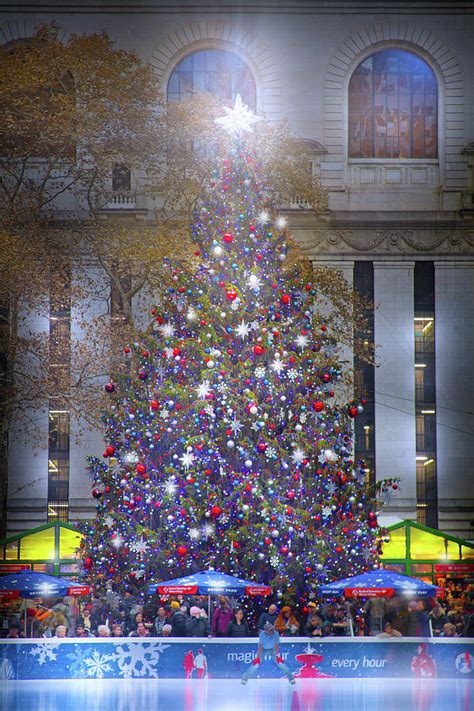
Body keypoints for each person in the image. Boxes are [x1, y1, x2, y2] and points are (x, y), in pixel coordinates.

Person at [241, 621, 295, 685]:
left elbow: (276, 645)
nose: (272, 630)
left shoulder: (276, 634)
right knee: (255, 665)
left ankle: (291, 678)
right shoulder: (262, 635)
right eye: (270, 630)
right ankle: (244, 678)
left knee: (280, 663)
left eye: (272, 629)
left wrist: (278, 656)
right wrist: (258, 657)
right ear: (266, 631)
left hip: (272, 649)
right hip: (263, 649)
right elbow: (260, 646)